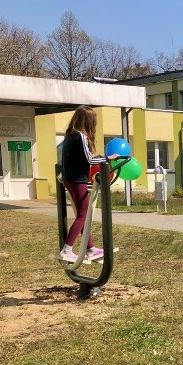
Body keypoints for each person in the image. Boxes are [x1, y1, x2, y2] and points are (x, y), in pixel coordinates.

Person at [58, 105, 118, 263]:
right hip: (77, 179)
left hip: (69, 178)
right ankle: (67, 249)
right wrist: (107, 159)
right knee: (84, 215)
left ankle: (90, 248)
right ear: (88, 121)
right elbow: (89, 160)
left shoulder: (69, 136)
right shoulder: (81, 136)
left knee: (82, 215)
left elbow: (78, 158)